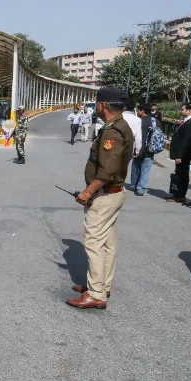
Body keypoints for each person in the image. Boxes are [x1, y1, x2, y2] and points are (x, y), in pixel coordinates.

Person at [67, 88, 133, 310]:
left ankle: (96, 294)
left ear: (103, 105)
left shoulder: (112, 132)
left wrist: (87, 192)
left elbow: (107, 170)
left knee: (94, 242)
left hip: (104, 194)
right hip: (114, 193)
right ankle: (102, 286)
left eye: (97, 103)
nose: (95, 106)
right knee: (107, 243)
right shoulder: (121, 126)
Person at [165, 103, 191, 204]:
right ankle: (176, 193)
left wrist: (180, 155)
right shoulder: (187, 121)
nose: (181, 111)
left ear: (189, 111)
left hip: (184, 154)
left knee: (183, 175)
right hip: (181, 153)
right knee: (179, 173)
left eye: (182, 109)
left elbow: (187, 140)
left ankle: (180, 195)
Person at [130, 104, 158, 196]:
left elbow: (135, 136)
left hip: (139, 148)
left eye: (139, 110)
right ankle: (141, 189)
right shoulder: (155, 121)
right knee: (145, 170)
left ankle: (134, 185)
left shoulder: (139, 121)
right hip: (150, 149)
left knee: (136, 167)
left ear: (142, 111)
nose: (138, 112)